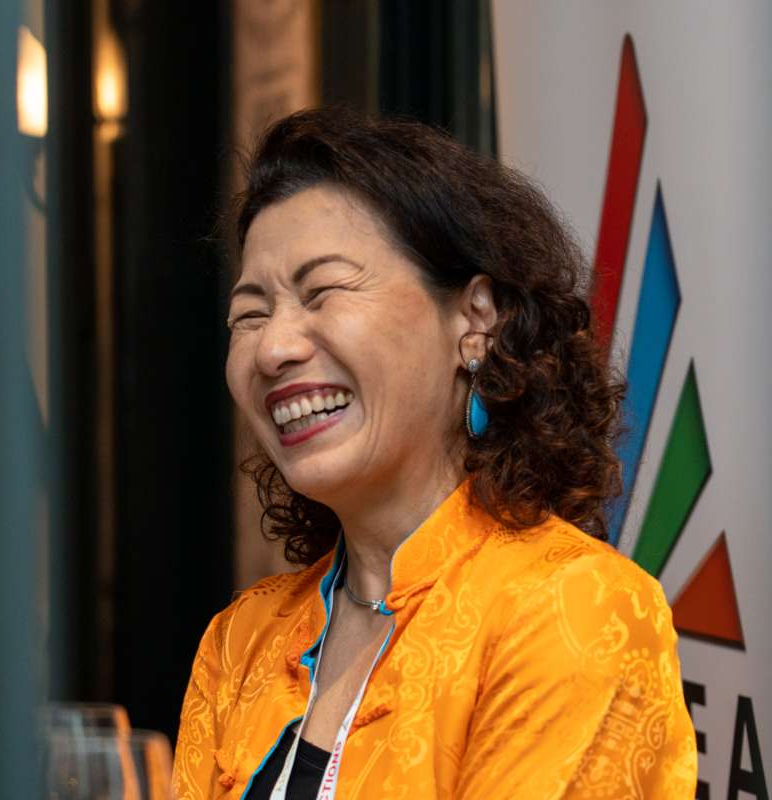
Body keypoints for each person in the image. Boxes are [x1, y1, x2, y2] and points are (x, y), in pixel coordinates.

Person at [172, 107, 698, 800]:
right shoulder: (240, 641)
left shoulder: (575, 608)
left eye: (322, 291)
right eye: (250, 314)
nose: (273, 347)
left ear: (474, 320)